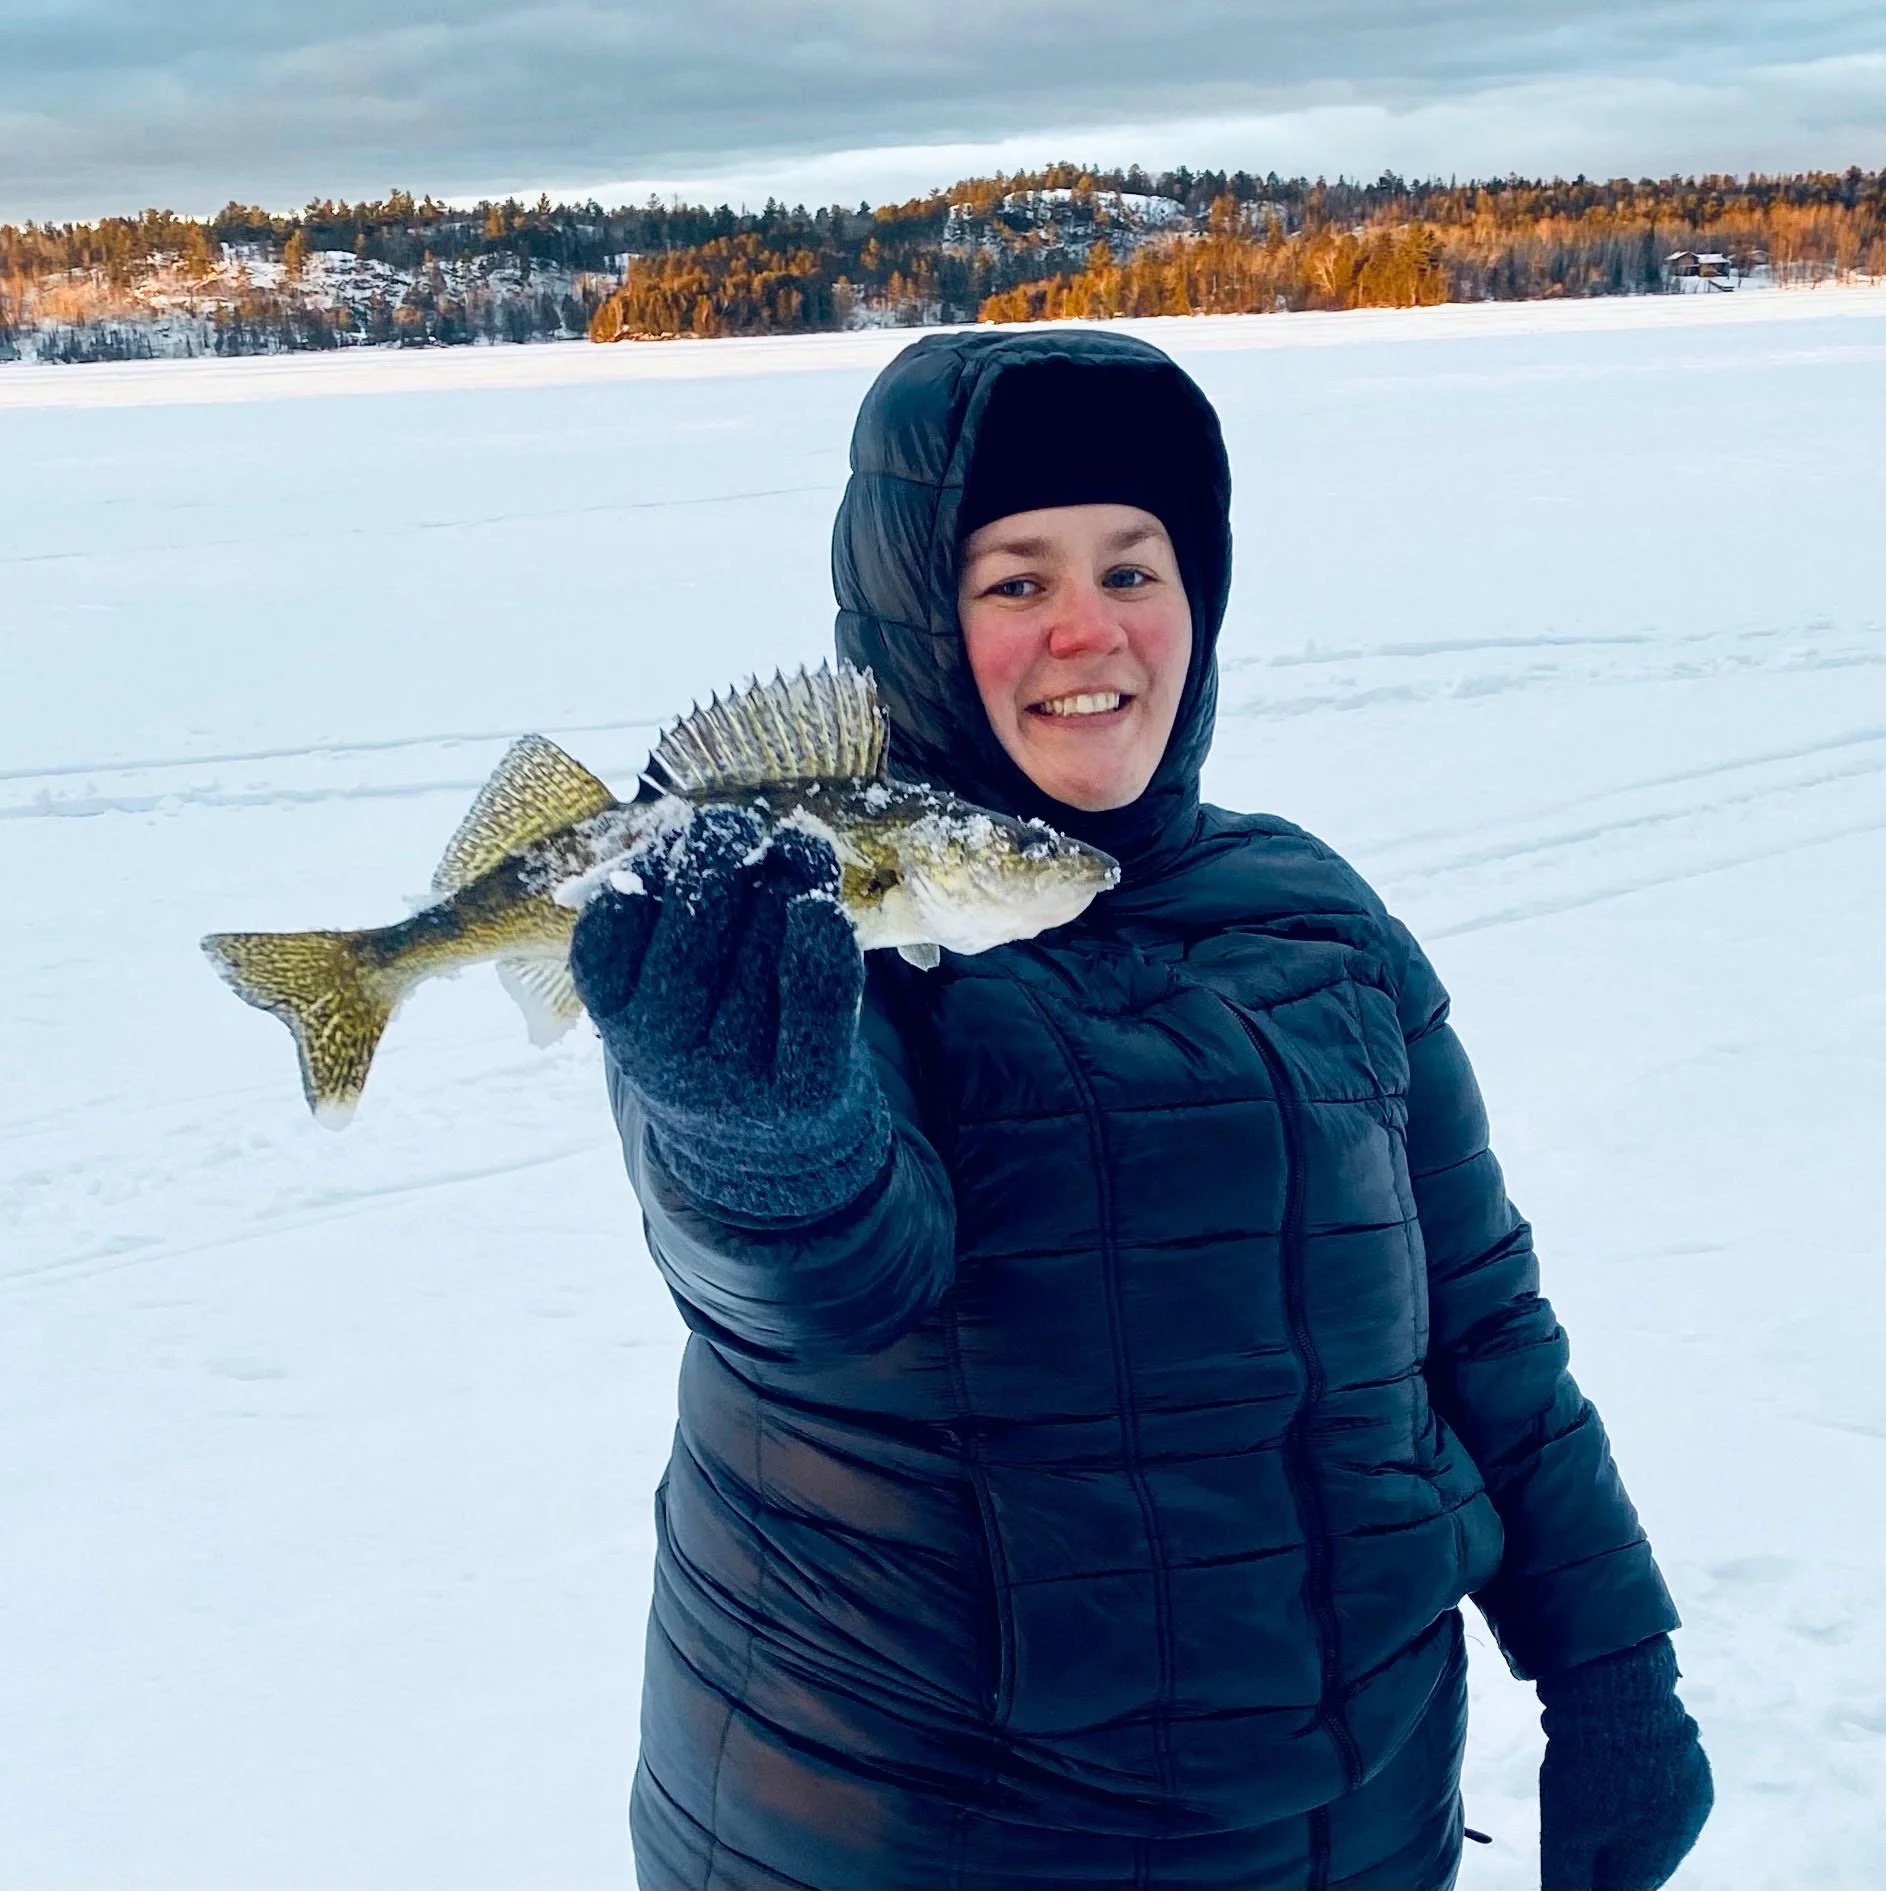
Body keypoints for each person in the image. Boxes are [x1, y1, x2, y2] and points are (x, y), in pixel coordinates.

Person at [569, 330, 1714, 1891]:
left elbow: (1482, 1327)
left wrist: (1610, 1673)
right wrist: (758, 1140)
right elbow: (815, 1289)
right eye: (1014, 580)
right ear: (917, 617)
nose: (1086, 630)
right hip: (935, 1834)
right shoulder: (824, 928)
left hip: (1358, 1827)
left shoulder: (1310, 910)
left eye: (1134, 566)